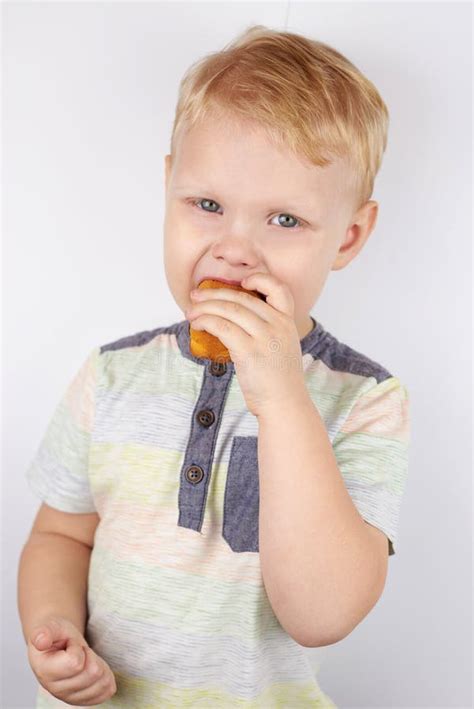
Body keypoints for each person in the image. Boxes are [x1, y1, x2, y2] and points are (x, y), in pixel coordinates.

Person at [18, 24, 410, 708]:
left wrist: (283, 397)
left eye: (284, 220)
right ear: (168, 185)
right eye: (207, 205)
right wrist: (53, 624)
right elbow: (60, 533)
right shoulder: (112, 375)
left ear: (348, 236)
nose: (236, 250)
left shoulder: (364, 398)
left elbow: (322, 616)